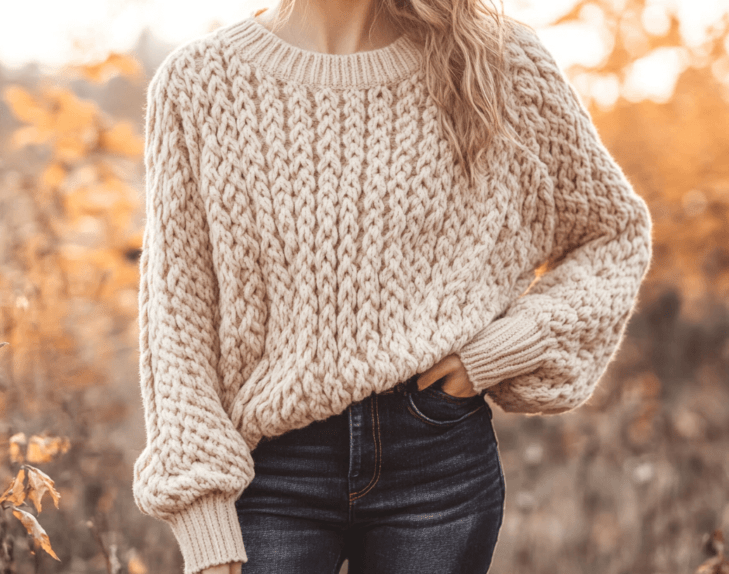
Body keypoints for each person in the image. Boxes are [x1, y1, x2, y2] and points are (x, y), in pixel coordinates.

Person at [132, 0, 653, 573]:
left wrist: (508, 344)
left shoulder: (496, 62)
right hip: (270, 471)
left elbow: (613, 234)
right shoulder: (201, 82)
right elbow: (177, 316)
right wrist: (202, 513)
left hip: (435, 454)